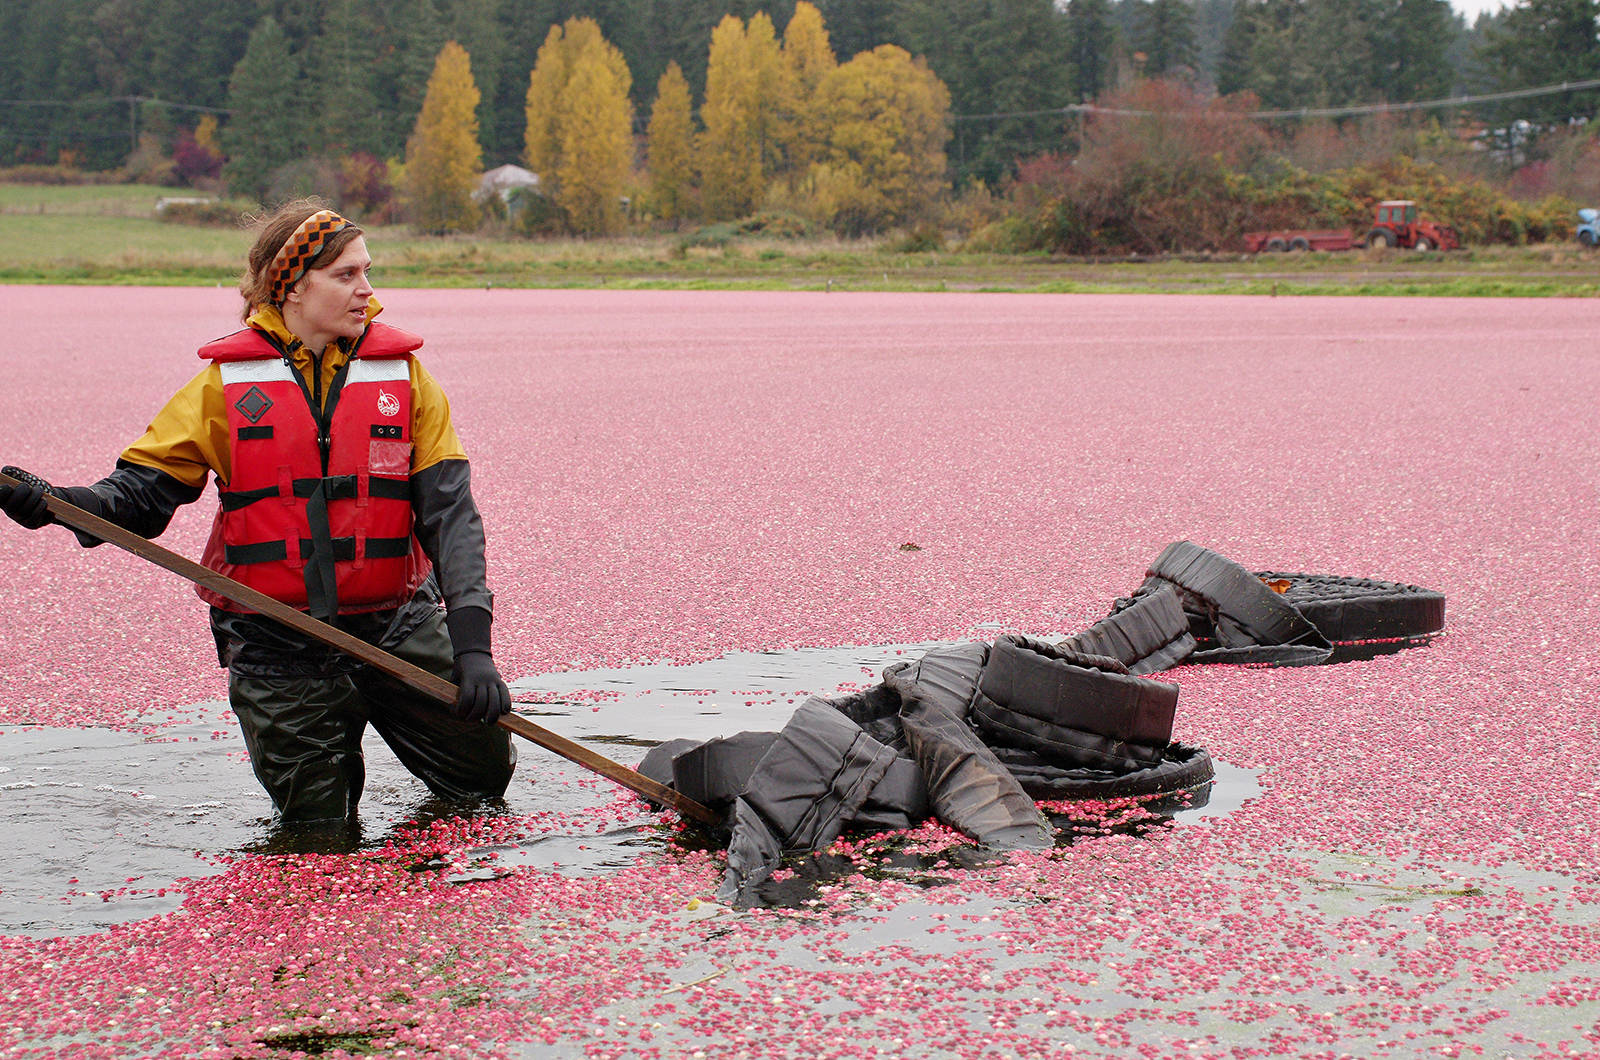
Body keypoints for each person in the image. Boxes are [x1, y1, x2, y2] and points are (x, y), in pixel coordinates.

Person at [0, 199, 516, 825]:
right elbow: (137, 498)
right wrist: (54, 504)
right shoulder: (221, 389)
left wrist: (473, 646)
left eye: (367, 271)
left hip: (398, 625)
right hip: (275, 643)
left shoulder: (406, 381)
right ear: (294, 286)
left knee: (484, 779)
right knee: (317, 829)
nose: (367, 290)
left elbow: (451, 518)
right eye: (347, 275)